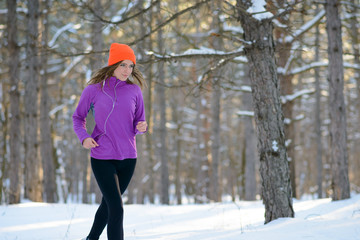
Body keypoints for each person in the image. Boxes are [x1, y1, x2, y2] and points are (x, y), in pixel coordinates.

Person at [72, 43, 147, 240]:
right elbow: (77, 118)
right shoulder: (94, 90)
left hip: (128, 157)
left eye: (131, 66)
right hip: (102, 156)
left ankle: (90, 238)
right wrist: (84, 138)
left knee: (108, 204)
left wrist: (141, 126)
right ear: (113, 64)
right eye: (123, 65)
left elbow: (139, 120)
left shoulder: (135, 91)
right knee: (116, 207)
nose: (127, 70)